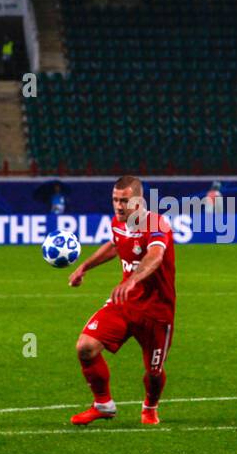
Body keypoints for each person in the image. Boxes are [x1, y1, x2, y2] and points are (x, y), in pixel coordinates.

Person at [67, 176, 176, 427]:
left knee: (154, 372)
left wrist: (132, 280)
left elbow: (156, 255)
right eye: (115, 199)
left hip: (156, 311)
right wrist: (84, 267)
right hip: (124, 303)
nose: (118, 205)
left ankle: (150, 406)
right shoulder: (118, 222)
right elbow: (115, 245)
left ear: (139, 201)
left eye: (124, 200)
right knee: (85, 347)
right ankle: (103, 405)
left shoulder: (156, 224)